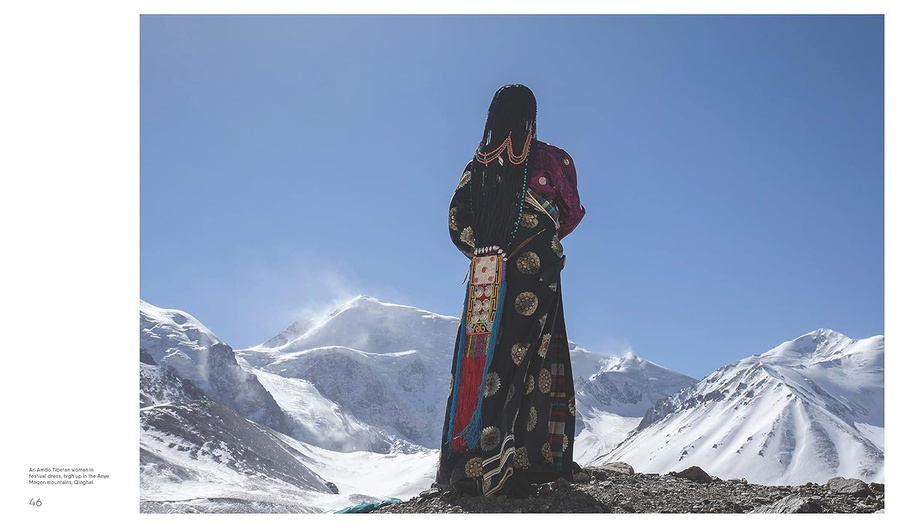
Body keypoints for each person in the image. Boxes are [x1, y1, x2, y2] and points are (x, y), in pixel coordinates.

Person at [437, 84, 585, 497]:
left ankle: (470, 462)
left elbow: (456, 222)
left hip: (487, 276)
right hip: (535, 275)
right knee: (529, 361)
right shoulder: (553, 160)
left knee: (482, 360)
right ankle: (520, 461)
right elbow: (571, 213)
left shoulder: (477, 167)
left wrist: (487, 250)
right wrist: (536, 241)